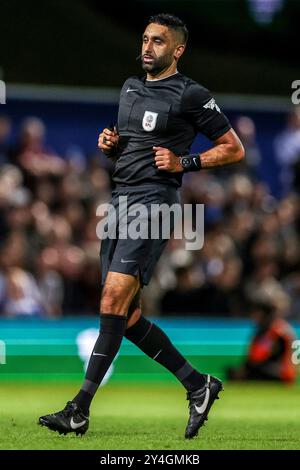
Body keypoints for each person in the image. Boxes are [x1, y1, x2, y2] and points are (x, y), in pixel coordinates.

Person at [39, 13, 244, 439]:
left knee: (114, 299)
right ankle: (197, 384)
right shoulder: (130, 89)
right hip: (119, 204)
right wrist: (112, 148)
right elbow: (132, 154)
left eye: (158, 42)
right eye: (145, 39)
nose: (147, 47)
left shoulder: (191, 94)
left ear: (177, 50)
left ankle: (79, 409)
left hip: (155, 204)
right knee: (124, 315)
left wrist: (185, 162)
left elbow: (232, 148)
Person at [227, 301, 297, 383]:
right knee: (232, 371)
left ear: (265, 314)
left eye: (257, 314)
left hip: (280, 372)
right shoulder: (262, 330)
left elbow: (271, 356)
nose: (254, 317)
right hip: (263, 367)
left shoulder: (278, 331)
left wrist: (249, 367)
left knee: (255, 370)